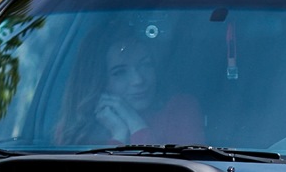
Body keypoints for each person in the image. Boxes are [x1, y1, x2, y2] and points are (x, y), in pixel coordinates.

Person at [61, 32, 204, 146]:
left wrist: (135, 124)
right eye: (120, 72)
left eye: (145, 65)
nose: (138, 80)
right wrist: (119, 134)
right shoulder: (79, 127)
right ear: (98, 81)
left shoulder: (179, 108)